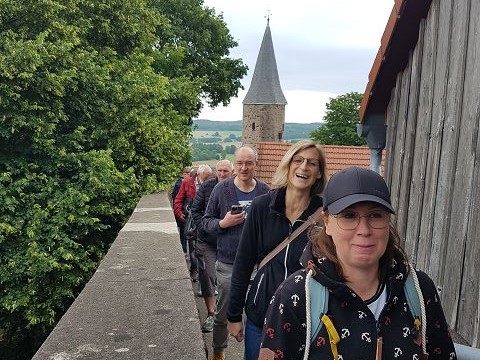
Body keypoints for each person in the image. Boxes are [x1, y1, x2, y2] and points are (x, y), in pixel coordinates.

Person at [258, 166, 456, 360]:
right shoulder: (297, 296)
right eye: (349, 216)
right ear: (327, 222)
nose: (364, 230)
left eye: (375, 215)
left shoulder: (419, 289)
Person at [227, 140, 328, 360]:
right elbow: (243, 263)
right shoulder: (263, 206)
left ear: (319, 173)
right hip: (260, 314)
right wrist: (233, 314)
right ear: (288, 165)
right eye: (298, 160)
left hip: (304, 319)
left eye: (312, 163)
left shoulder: (325, 216)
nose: (303, 167)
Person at [202, 145, 271, 360]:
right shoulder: (221, 190)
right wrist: (223, 223)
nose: (243, 168)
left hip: (259, 266)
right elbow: (206, 222)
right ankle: (219, 351)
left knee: (258, 314)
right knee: (223, 313)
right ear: (234, 165)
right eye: (239, 163)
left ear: (255, 165)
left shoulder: (265, 191)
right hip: (229, 263)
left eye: (248, 163)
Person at [191, 159, 234, 333]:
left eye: (226, 171)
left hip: (229, 241)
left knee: (228, 280)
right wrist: (203, 229)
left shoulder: (236, 188)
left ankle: (227, 313)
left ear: (232, 172)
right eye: (220, 171)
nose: (222, 174)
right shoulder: (208, 187)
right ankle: (211, 313)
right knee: (207, 275)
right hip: (207, 241)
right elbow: (195, 209)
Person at [174, 164, 213, 280]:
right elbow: (178, 199)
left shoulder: (211, 184)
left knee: (204, 248)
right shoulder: (187, 182)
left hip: (205, 220)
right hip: (190, 220)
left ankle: (204, 275)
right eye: (205, 177)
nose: (206, 179)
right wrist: (180, 214)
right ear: (199, 174)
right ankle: (194, 269)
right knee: (192, 248)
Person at [169, 166, 191, 254]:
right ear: (182, 174)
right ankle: (184, 249)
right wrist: (178, 210)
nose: (186, 175)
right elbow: (175, 197)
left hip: (185, 210)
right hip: (181, 210)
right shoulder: (179, 183)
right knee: (183, 230)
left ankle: (184, 249)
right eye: (185, 174)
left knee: (184, 230)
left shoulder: (189, 183)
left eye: (188, 173)